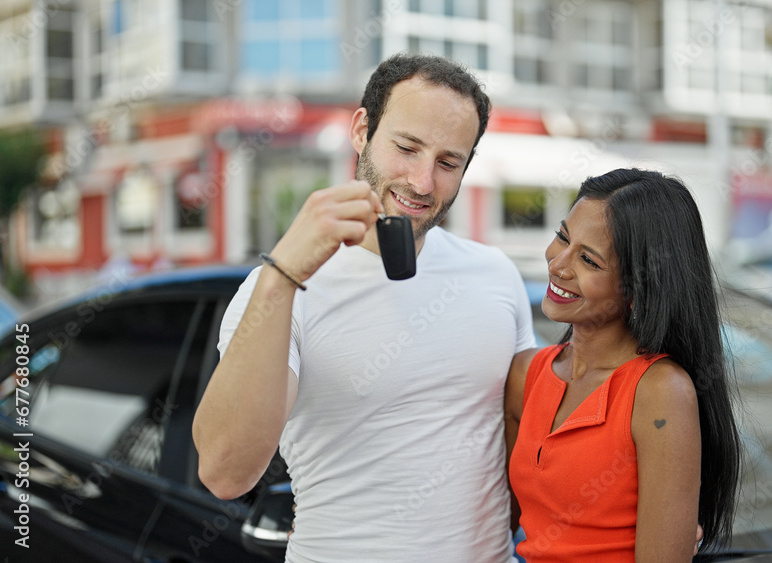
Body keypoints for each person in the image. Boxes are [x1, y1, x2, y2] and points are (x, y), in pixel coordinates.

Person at [192, 53, 536, 562]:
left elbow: (524, 441)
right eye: (406, 147)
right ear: (361, 130)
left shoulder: (496, 275)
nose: (422, 182)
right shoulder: (276, 290)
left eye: (448, 162)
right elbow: (224, 472)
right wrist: (282, 274)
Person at [504, 169, 742, 561]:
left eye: (588, 260)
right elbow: (502, 528)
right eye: (563, 237)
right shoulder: (525, 375)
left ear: (638, 290)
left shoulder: (660, 392)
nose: (558, 265)